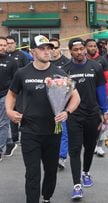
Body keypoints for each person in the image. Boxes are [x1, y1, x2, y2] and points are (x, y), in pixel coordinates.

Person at [5, 35, 80, 203]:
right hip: (29, 130)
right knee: (32, 173)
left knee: (51, 170)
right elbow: (11, 94)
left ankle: (47, 197)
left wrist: (67, 112)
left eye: (49, 48)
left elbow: (76, 97)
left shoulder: (58, 73)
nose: (47, 51)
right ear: (32, 51)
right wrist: (9, 110)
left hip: (52, 132)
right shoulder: (22, 73)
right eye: (42, 48)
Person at [63, 38, 108, 200]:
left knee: (89, 147)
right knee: (75, 149)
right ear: (70, 52)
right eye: (75, 50)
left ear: (85, 49)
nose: (79, 52)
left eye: (81, 49)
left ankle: (86, 172)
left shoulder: (95, 67)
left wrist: (105, 111)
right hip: (74, 116)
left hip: (92, 114)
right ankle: (77, 185)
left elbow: (101, 90)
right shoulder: (65, 69)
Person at [85, 38, 108, 157]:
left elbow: (107, 78)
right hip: (88, 95)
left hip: (101, 94)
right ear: (86, 47)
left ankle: (100, 146)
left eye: (94, 46)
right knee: (91, 122)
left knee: (104, 119)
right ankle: (90, 144)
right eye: (90, 46)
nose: (92, 48)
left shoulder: (102, 60)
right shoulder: (82, 60)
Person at [49, 38, 72, 169]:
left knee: (63, 131)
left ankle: (62, 157)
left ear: (59, 48)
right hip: (48, 103)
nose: (53, 50)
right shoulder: (44, 63)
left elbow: (71, 83)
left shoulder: (66, 63)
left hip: (63, 102)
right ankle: (50, 155)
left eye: (55, 47)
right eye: (50, 48)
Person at [7, 36, 31, 144]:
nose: (9, 45)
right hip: (8, 90)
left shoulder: (21, 55)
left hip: (21, 90)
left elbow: (28, 70)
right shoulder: (4, 56)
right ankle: (14, 137)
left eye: (11, 43)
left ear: (15, 44)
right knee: (11, 112)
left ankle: (25, 133)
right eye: (7, 43)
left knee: (21, 111)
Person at [0, 36, 18, 162]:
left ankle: (0, 149)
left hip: (5, 95)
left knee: (3, 123)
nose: (2, 47)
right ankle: (9, 141)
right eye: (0, 45)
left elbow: (15, 81)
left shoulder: (12, 61)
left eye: (4, 45)